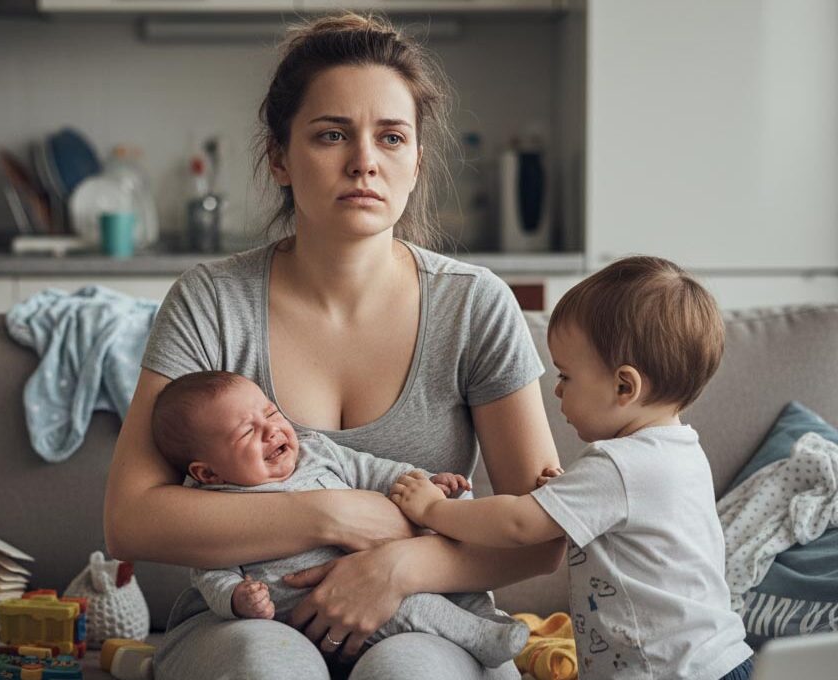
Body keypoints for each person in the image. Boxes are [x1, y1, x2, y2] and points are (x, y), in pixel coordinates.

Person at [104, 12, 563, 680]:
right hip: (247, 622)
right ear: (280, 159)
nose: (364, 162)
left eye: (392, 137)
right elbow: (132, 518)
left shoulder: (475, 304)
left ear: (417, 163)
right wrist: (338, 513)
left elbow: (542, 535)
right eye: (331, 134)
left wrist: (397, 568)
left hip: (428, 613)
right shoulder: (210, 300)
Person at [390, 256, 756, 680]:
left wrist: (432, 509)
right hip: (718, 661)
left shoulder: (617, 466)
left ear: (624, 386)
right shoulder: (681, 452)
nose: (558, 390)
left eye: (566, 376)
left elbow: (518, 524)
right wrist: (568, 496)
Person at [150, 370, 531, 668]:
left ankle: (487, 620)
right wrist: (236, 599)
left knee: (449, 579)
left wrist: (427, 483)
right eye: (247, 432)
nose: (271, 431)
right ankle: (481, 639)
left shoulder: (315, 452)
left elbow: (377, 472)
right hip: (308, 615)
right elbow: (211, 572)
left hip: (393, 576)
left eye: (270, 413)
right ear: (208, 472)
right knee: (412, 609)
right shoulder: (212, 504)